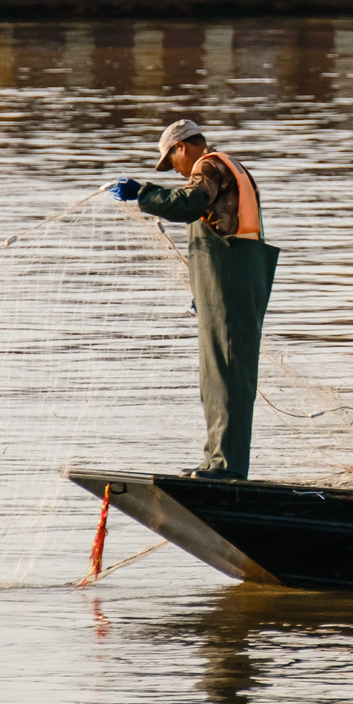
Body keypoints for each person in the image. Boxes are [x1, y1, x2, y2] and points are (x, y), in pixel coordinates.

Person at [111, 119, 279, 480]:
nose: (174, 168)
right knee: (216, 375)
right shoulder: (230, 167)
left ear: (181, 147)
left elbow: (190, 203)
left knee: (227, 372)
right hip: (231, 277)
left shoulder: (209, 164)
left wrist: (144, 193)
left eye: (171, 160)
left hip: (232, 274)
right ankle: (215, 461)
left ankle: (225, 467)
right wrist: (204, 293)